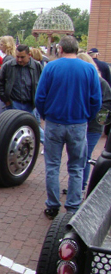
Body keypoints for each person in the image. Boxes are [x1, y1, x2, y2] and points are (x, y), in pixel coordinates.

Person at [35, 35, 101, 219]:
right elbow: (96, 99)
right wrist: (87, 115)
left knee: (52, 166)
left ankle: (53, 205)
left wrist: (45, 115)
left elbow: (40, 97)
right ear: (77, 49)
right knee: (77, 167)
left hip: (55, 122)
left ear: (60, 49)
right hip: (78, 123)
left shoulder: (51, 67)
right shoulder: (89, 69)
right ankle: (72, 206)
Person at [76, 52, 111, 192]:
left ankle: (81, 186)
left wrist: (100, 121)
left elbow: (107, 103)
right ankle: (79, 185)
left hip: (92, 127)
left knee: (85, 156)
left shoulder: (100, 83)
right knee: (80, 156)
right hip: (82, 124)